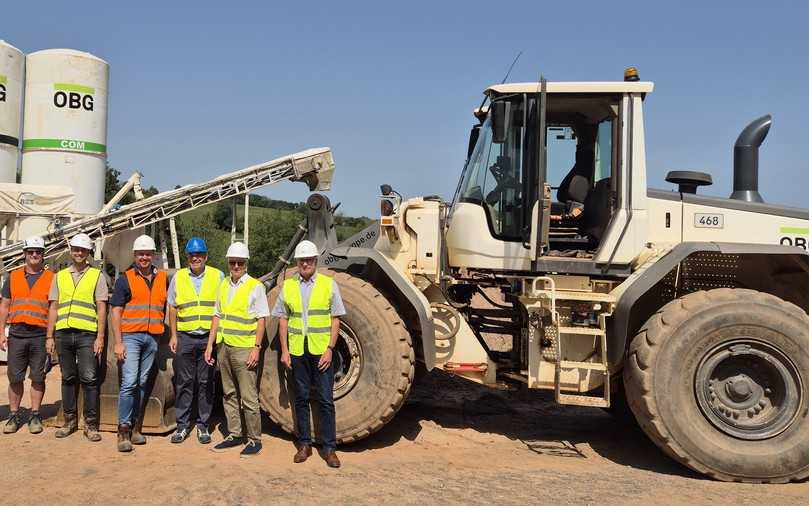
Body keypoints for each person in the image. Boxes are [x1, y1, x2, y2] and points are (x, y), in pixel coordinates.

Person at [273, 240, 345, 468]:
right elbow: (283, 320)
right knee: (301, 399)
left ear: (315, 261)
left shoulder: (328, 284)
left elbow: (336, 320)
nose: (305, 263)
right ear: (297, 262)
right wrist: (284, 351)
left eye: (309, 260)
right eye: (302, 260)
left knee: (325, 400)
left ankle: (329, 449)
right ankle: (304, 445)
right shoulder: (288, 286)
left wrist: (330, 349)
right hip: (297, 351)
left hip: (321, 351)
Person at [205, 241, 268, 458]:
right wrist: (210, 345)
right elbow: (217, 316)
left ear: (246, 263)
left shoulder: (255, 287)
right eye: (232, 262)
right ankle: (234, 434)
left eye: (240, 262)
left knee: (249, 396)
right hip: (224, 348)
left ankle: (254, 439)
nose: (236, 265)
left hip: (244, 349)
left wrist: (256, 348)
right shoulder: (223, 285)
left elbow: (261, 320)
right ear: (228, 263)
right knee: (229, 393)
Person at [46, 233, 109, 441]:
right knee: (67, 378)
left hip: (86, 335)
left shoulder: (96, 276)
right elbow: (53, 307)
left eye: (82, 250)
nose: (78, 253)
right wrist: (50, 336)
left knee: (90, 379)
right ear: (70, 251)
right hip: (63, 333)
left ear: (88, 252)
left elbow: (101, 308)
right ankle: (69, 421)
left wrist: (100, 336)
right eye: (75, 249)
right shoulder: (60, 276)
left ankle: (90, 425)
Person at [110, 234, 167, 452]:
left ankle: (135, 427)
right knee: (130, 382)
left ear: (153, 255)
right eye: (141, 254)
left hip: (152, 338)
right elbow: (116, 311)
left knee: (142, 383)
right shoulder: (125, 278)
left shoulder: (162, 278)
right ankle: (123, 429)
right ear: (135, 255)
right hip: (131, 337)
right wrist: (118, 342)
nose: (144, 257)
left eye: (148, 254)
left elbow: (168, 306)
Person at [167, 237, 223, 444]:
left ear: (206, 256)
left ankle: (203, 425)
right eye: (192, 255)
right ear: (187, 257)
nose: (195, 258)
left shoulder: (218, 276)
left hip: (208, 340)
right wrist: (173, 335)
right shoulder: (179, 277)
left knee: (206, 382)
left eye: (199, 254)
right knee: (184, 382)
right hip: (186, 338)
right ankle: (182, 425)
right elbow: (172, 307)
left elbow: (221, 307)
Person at [0, 236, 53, 434]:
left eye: (38, 252)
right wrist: (1, 333)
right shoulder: (12, 277)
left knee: (38, 377)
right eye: (30, 251)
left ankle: (35, 415)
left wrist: (50, 337)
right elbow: (4, 306)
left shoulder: (51, 278)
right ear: (24, 254)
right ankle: (13, 415)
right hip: (17, 334)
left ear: (43, 254)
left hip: (39, 335)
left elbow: (53, 308)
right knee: (15, 378)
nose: (34, 255)